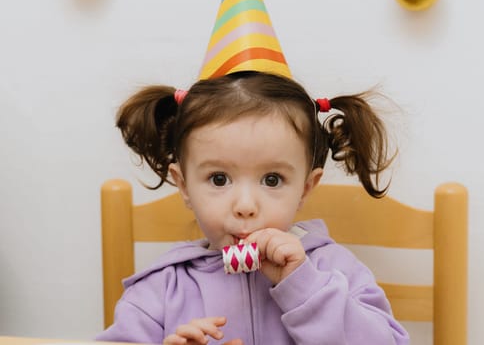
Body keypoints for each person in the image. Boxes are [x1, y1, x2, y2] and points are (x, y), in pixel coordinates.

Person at [96, 70, 409, 345]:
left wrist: (305, 287)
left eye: (272, 179)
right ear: (184, 185)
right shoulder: (157, 291)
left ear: (305, 188)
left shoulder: (335, 270)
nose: (245, 206)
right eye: (219, 179)